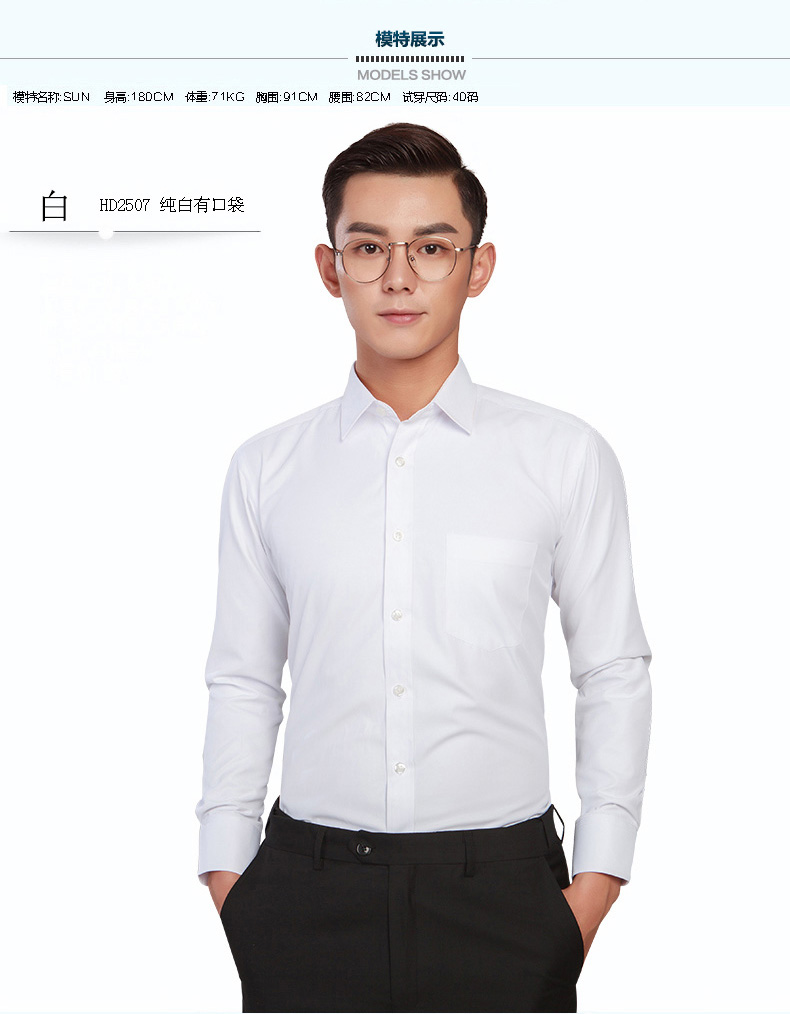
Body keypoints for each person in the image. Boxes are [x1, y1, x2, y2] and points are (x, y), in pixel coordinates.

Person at [195, 121, 652, 1014]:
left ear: (477, 268)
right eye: (369, 247)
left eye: (432, 247)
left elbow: (612, 670)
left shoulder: (563, 457)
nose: (399, 277)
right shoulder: (267, 469)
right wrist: (230, 880)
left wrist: (596, 882)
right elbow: (243, 678)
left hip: (506, 899)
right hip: (303, 894)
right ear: (330, 268)